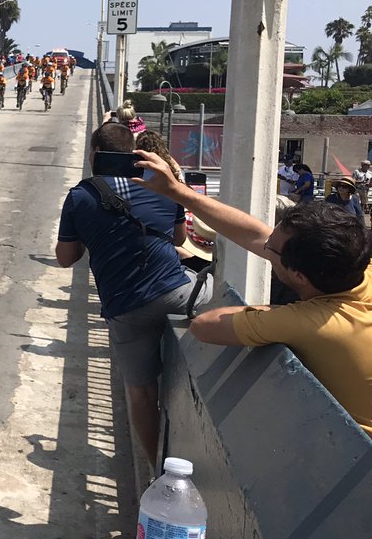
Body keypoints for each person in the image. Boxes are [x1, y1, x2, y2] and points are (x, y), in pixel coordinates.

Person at [134, 148, 372, 437]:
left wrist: (278, 314)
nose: (265, 247)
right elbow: (256, 235)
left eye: (271, 250)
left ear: (299, 275)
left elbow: (204, 326)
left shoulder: (309, 322)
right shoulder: (352, 267)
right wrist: (176, 191)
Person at [56, 123, 191, 469]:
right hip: (177, 292)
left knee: (141, 393)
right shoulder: (163, 184)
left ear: (94, 153)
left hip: (127, 306)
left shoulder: (80, 196)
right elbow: (178, 239)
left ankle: (156, 470)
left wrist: (93, 235)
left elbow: (66, 258)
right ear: (132, 152)